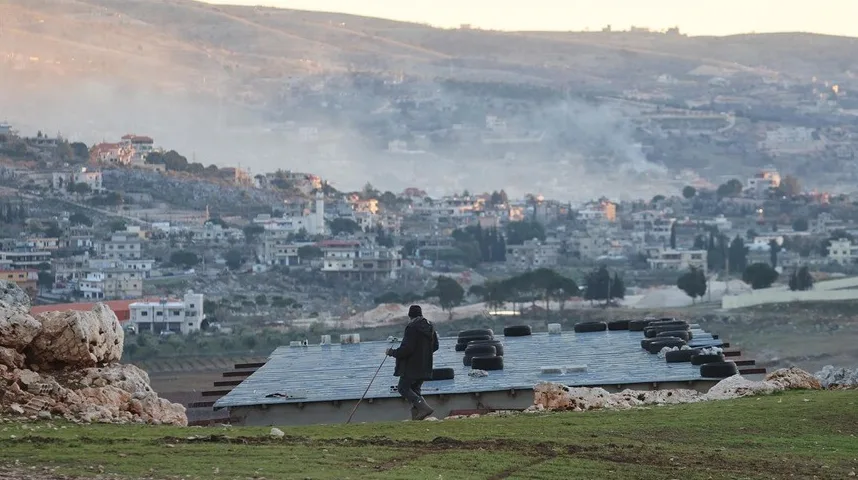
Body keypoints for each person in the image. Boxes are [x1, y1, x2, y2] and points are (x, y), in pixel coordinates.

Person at [386, 304, 440, 420]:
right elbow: (435, 346)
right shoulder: (430, 327)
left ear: (410, 315)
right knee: (415, 390)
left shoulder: (412, 327)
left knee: (403, 388)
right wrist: (424, 354)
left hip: (411, 367)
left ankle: (425, 409)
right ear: (421, 314)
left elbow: (407, 349)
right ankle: (417, 418)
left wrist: (392, 352)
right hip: (425, 366)